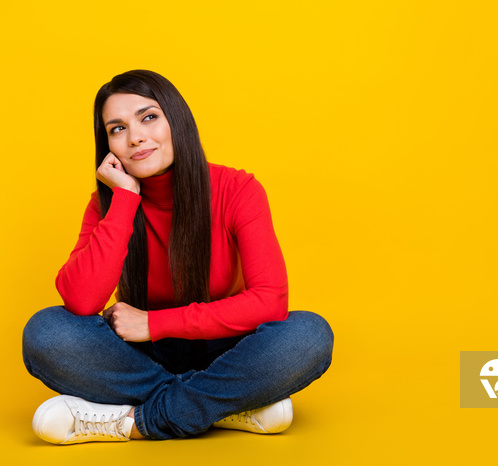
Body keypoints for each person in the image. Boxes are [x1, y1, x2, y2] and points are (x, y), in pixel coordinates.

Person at [22, 70, 334, 445]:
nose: (135, 136)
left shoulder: (237, 189)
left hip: (227, 350)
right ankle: (225, 406)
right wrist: (123, 199)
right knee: (46, 332)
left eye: (149, 117)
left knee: (308, 335)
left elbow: (270, 300)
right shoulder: (108, 204)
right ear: (107, 145)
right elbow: (81, 300)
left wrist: (154, 322)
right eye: (117, 129)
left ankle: (132, 422)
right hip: (140, 358)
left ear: (177, 121)